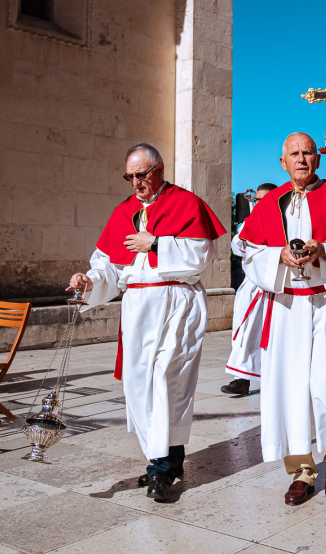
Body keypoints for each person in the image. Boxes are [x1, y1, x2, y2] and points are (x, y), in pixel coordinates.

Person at [68, 143, 226, 502]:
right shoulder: (123, 211)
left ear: (159, 169)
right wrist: (88, 281)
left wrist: (156, 243)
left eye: (142, 174)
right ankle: (167, 463)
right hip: (137, 307)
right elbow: (108, 265)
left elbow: (201, 257)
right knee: (139, 386)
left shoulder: (186, 203)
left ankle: (160, 469)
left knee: (166, 381)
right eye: (130, 176)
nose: (136, 182)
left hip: (175, 302)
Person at [238, 133, 326, 506]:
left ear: (317, 158)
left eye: (307, 152)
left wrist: (324, 250)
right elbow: (249, 256)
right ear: (283, 162)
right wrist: (276, 257)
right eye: (293, 154)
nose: (301, 158)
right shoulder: (268, 204)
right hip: (287, 308)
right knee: (291, 388)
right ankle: (301, 469)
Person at [222, 183, 277, 396]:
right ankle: (242, 378)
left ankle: (273, 378)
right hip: (252, 286)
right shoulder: (248, 222)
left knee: (271, 336)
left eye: (263, 200)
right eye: (256, 200)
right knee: (244, 332)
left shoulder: (284, 221)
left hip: (275, 285)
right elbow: (237, 244)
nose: (257, 204)